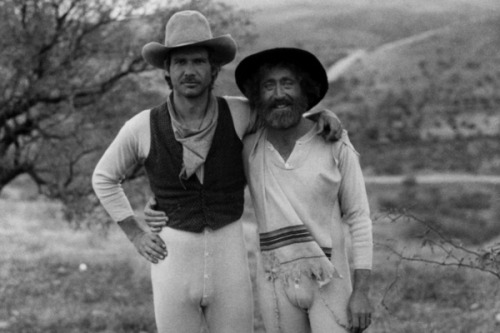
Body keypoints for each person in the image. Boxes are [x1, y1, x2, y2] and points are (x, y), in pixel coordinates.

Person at [92, 10, 342, 333]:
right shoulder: (143, 126)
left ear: (213, 69)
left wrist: (321, 114)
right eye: (180, 62)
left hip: (230, 263)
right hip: (172, 264)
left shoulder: (238, 113)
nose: (189, 71)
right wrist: (135, 233)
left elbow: (283, 113)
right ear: (167, 70)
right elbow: (103, 177)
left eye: (198, 61)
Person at [235, 48, 374, 333]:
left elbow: (359, 219)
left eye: (287, 83)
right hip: (275, 284)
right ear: (257, 96)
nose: (278, 94)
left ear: (304, 90)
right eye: (268, 85)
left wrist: (361, 292)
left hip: (332, 284)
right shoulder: (249, 148)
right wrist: (159, 203)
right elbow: (214, 187)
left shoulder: (334, 143)